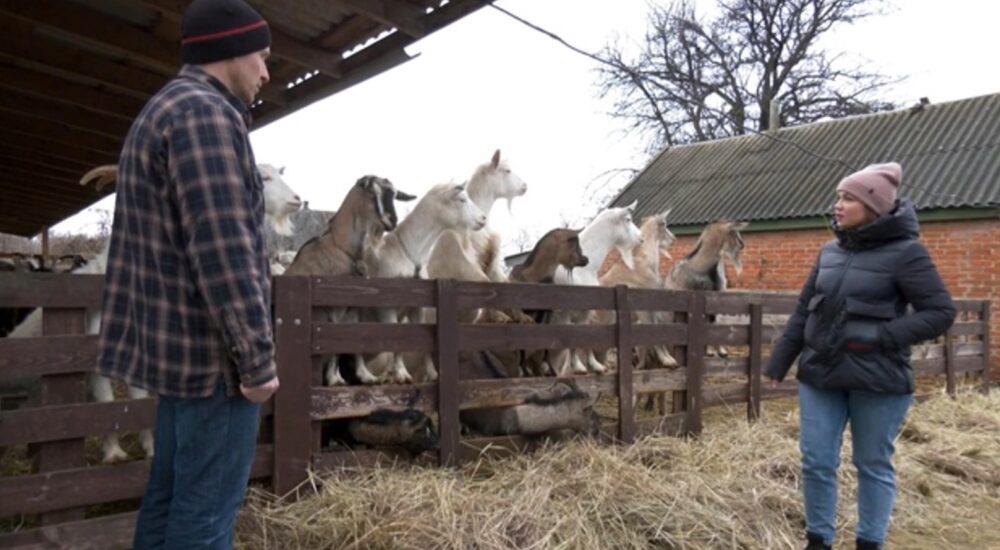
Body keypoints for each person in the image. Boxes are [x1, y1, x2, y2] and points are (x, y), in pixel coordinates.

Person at [97, 0, 279, 547]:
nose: (267, 72)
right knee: (204, 517)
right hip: (213, 364)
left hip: (178, 358)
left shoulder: (165, 109)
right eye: (263, 56)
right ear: (232, 50)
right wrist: (257, 359)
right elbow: (225, 250)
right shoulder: (204, 115)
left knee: (171, 497)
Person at [765, 162, 955, 550]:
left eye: (848, 198)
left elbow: (940, 312)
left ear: (874, 206)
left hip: (879, 379)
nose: (838, 205)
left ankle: (870, 542)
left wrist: (883, 336)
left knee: (872, 465)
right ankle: (818, 540)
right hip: (821, 374)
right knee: (816, 461)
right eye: (838, 196)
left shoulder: (907, 253)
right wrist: (779, 361)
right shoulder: (829, 252)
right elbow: (805, 310)